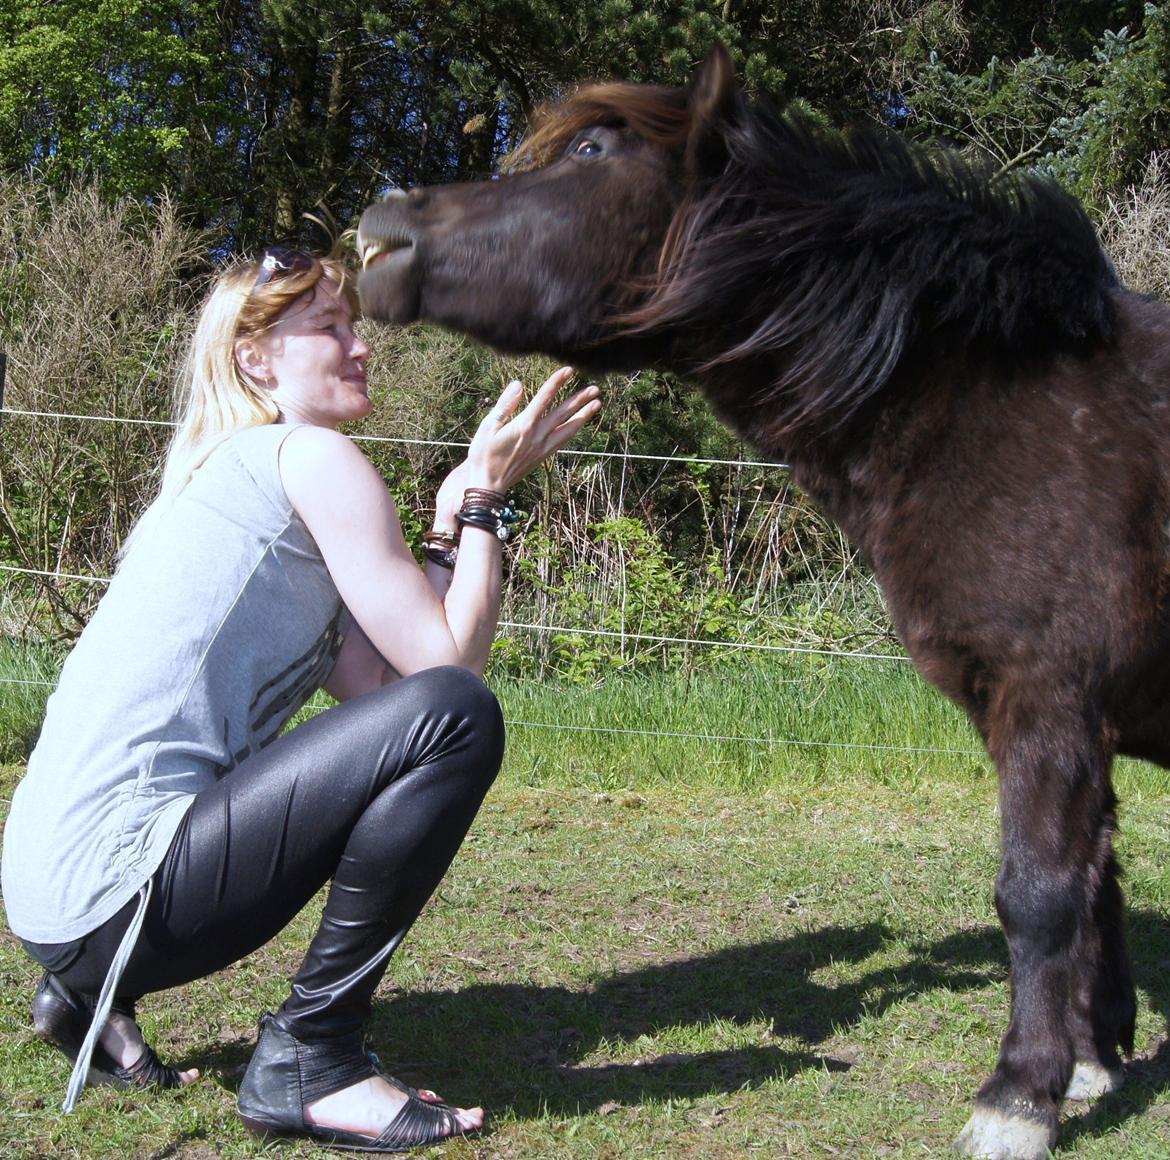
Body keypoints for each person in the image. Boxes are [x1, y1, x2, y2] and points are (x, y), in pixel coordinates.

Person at [0, 247, 601, 1152]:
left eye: (355, 324)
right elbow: (449, 686)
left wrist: (447, 525)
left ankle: (87, 1001)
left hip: (54, 903)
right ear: (256, 356)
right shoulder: (309, 457)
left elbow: (390, 692)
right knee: (464, 717)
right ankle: (313, 1059)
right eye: (329, 327)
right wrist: (483, 504)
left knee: (438, 718)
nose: (361, 346)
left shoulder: (223, 479)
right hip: (121, 887)